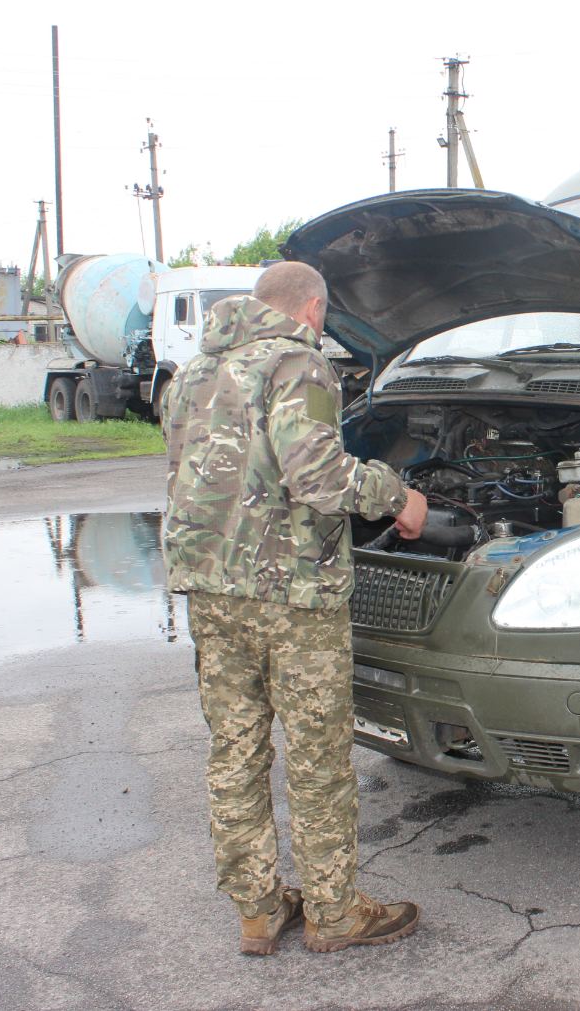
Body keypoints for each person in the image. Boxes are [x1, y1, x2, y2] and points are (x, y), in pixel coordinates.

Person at [161, 261, 429, 955]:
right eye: (324, 317)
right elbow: (317, 477)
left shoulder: (191, 375)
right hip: (294, 596)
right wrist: (398, 496)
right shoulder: (298, 364)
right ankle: (334, 913)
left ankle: (257, 910)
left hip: (213, 592)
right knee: (316, 758)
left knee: (236, 752)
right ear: (312, 309)